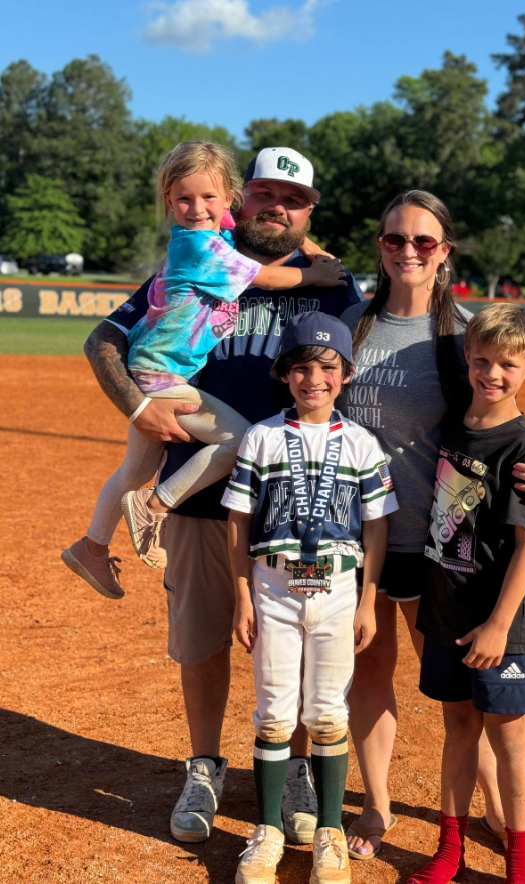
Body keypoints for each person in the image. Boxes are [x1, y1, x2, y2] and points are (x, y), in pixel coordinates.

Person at [79, 147, 363, 844]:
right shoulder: (204, 257)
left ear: (309, 208)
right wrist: (136, 408)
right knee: (203, 641)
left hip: (300, 510)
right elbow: (103, 341)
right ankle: (204, 766)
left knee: (296, 645)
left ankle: (296, 769)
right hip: (206, 501)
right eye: (265, 193)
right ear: (243, 200)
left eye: (292, 198)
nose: (277, 206)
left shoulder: (333, 285)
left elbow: (415, 341)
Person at [337, 190, 525, 861]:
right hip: (359, 538)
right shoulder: (353, 326)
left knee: (462, 686)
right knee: (372, 670)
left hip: (439, 547)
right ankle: (377, 806)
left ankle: (498, 809)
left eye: (423, 241)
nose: (407, 251)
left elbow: (505, 424)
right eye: (394, 239)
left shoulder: (463, 334)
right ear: (380, 247)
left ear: (444, 252)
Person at [62, 142, 344, 600]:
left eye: (208, 198)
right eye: (185, 199)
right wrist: (316, 274)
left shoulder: (219, 231)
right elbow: (264, 276)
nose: (198, 208)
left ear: (227, 198)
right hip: (163, 377)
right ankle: (157, 506)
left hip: (160, 371)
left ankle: (91, 546)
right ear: (169, 201)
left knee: (133, 470)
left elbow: (263, 229)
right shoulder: (199, 248)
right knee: (239, 440)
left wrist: (310, 247)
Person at [224, 312, 397, 884]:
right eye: (301, 368)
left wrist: (370, 600)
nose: (313, 379)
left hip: (339, 588)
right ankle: (268, 831)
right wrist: (243, 596)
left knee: (326, 712)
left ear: (345, 375)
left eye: (326, 368)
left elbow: (376, 529)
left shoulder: (363, 445)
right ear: (285, 374)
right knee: (274, 713)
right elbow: (237, 523)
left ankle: (328, 833)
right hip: (273, 587)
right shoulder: (264, 436)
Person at [406, 303, 525, 884]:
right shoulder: (453, 425)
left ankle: (519, 860)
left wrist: (497, 626)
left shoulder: (524, 448)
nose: (493, 373)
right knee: (458, 730)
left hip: (501, 624)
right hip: (445, 609)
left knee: (508, 736)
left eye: (508, 365)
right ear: (467, 358)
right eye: (483, 360)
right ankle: (449, 849)